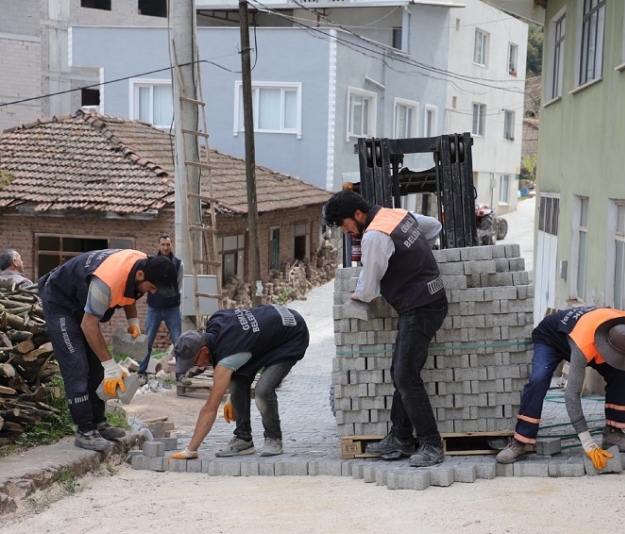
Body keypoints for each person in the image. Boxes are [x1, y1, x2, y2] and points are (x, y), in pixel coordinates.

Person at [322, 190, 448, 468]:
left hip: (420, 306)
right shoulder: (398, 215)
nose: (347, 232)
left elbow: (368, 286)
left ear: (357, 214)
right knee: (402, 373)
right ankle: (401, 437)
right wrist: (410, 257)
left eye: (345, 226)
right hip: (431, 299)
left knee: (405, 375)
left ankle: (431, 444)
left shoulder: (374, 235)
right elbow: (433, 227)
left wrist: (359, 296)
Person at [38, 249, 179, 451]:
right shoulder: (107, 283)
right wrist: (111, 366)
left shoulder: (143, 264)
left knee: (96, 366)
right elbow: (89, 325)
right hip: (61, 302)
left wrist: (133, 322)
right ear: (141, 275)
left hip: (82, 303)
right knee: (76, 366)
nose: (154, 292)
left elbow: (132, 292)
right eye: (153, 287)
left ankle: (99, 423)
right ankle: (85, 430)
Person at [497, 306, 625, 470]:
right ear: (605, 346)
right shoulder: (585, 346)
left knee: (620, 375)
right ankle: (520, 441)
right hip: (551, 338)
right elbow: (571, 395)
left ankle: (613, 434)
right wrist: (587, 442)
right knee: (538, 380)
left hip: (581, 335)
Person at [168, 304, 310, 460]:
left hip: (292, 333)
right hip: (269, 329)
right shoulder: (216, 321)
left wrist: (190, 450)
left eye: (195, 362)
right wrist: (233, 397)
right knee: (236, 381)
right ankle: (243, 440)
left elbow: (210, 409)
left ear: (204, 350)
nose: (196, 367)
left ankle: (273, 438)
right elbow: (242, 348)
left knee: (263, 391)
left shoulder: (228, 356)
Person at [138, 234, 184, 383]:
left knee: (178, 342)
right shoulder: (151, 263)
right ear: (158, 246)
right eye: (163, 244)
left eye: (168, 244)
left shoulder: (178, 264)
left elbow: (179, 285)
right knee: (148, 340)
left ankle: (181, 374)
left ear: (171, 246)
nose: (165, 247)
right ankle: (141, 372)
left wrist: (175, 298)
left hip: (172, 309)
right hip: (154, 308)